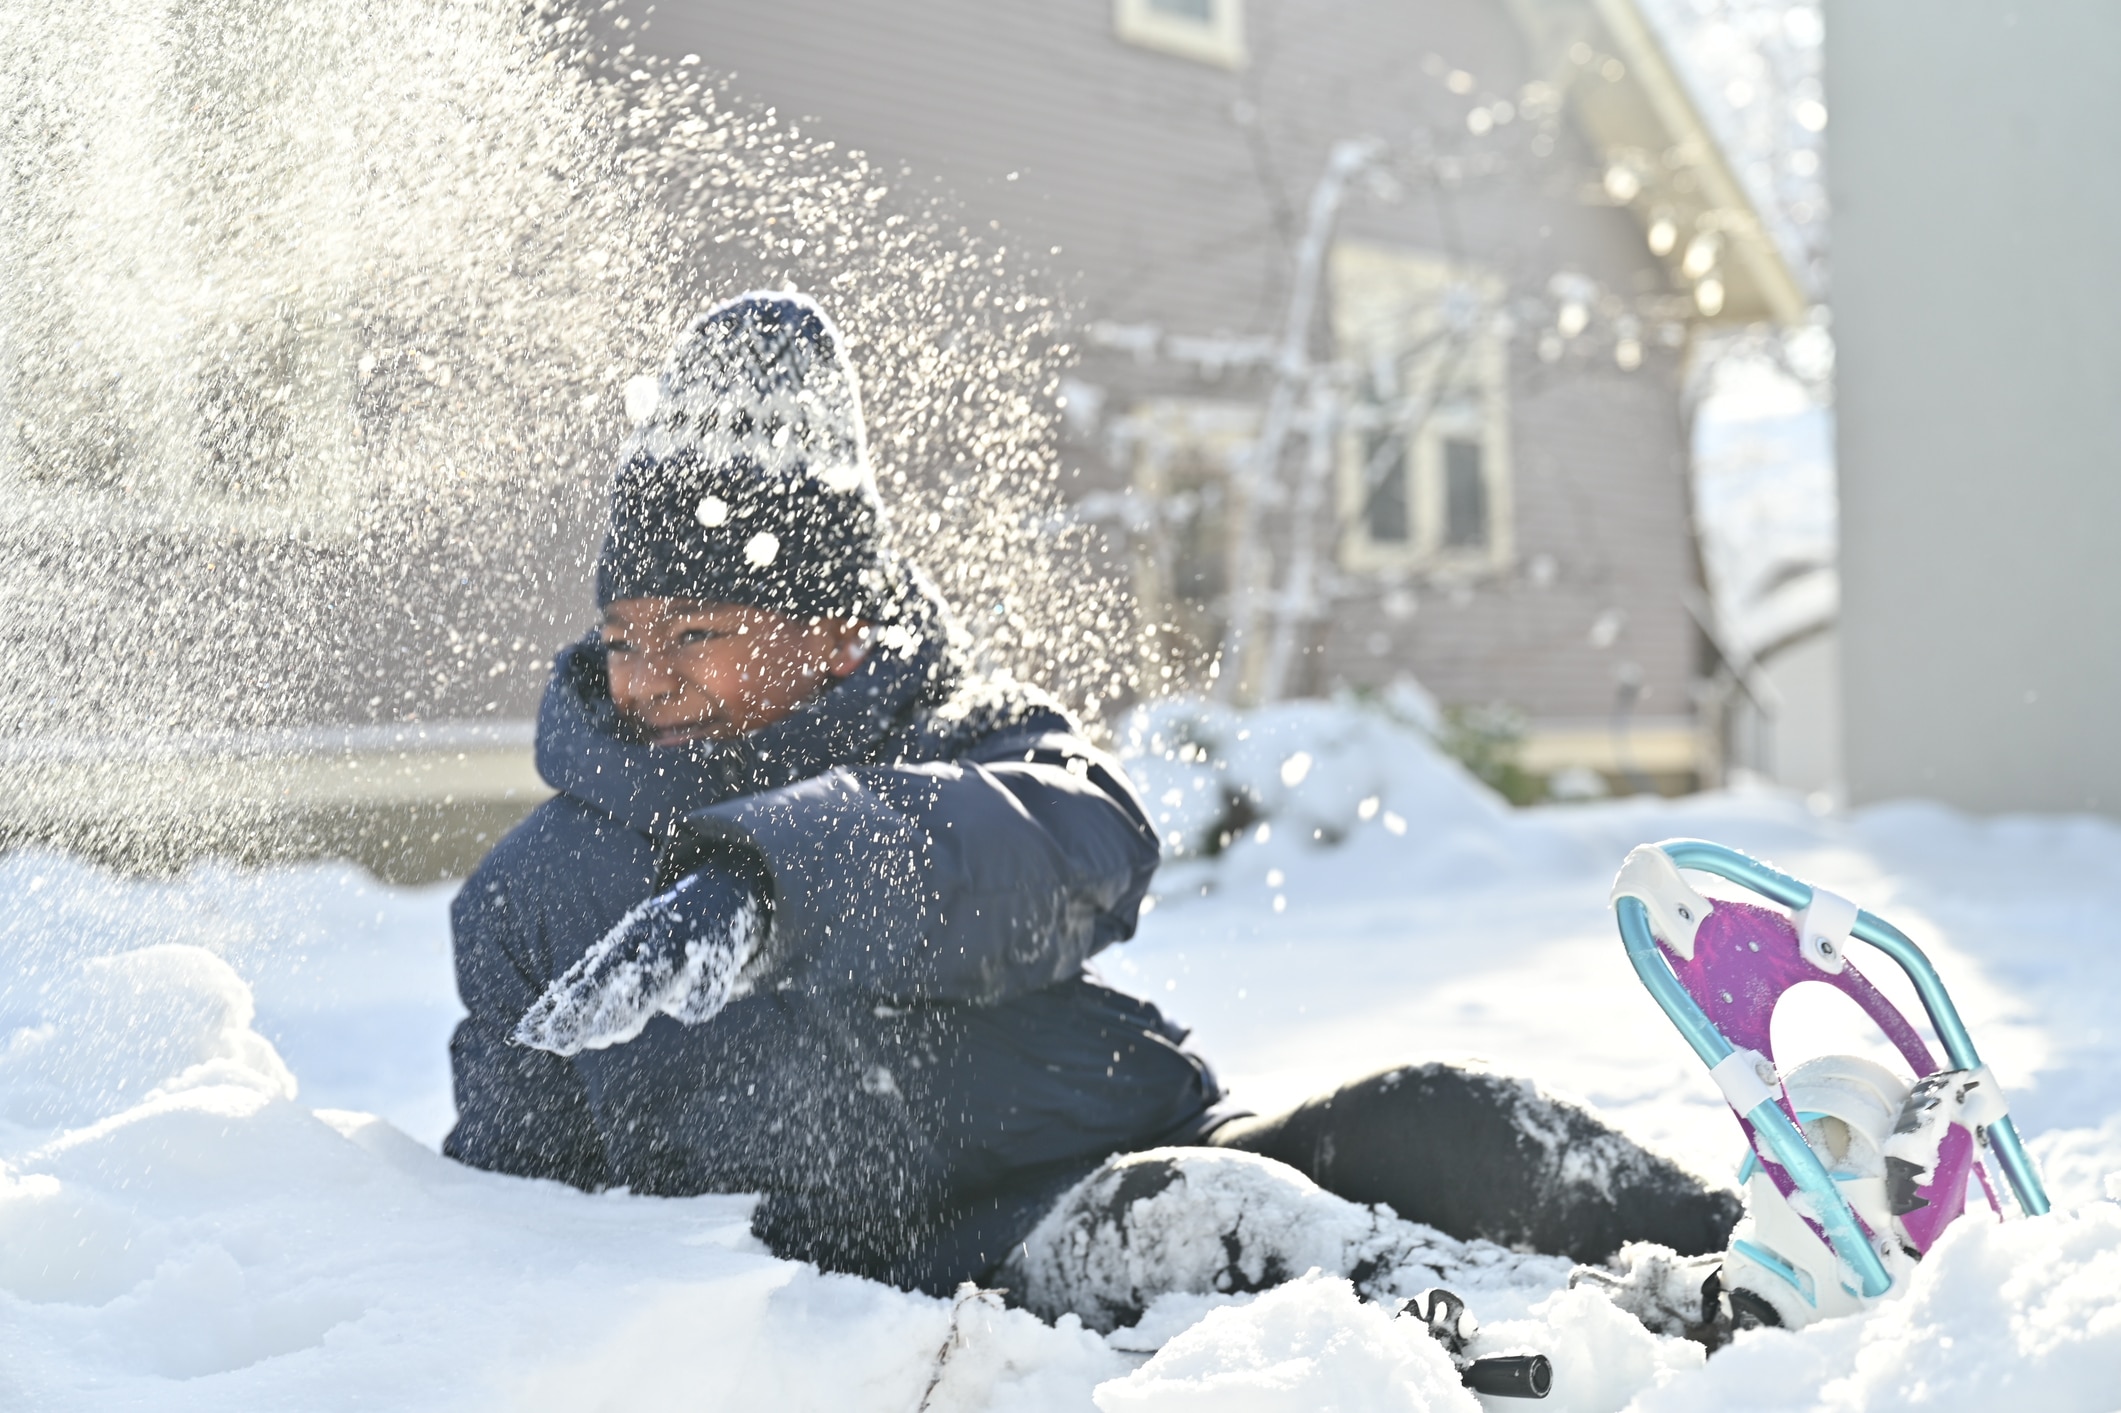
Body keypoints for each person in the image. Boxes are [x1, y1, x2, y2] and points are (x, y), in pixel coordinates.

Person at [443, 292, 1739, 1306]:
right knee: (1225, 1228)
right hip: (947, 1255)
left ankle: (1755, 1261)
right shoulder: (526, 896)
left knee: (1431, 1115)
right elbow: (518, 1207)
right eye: (625, 633)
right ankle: (1558, 1352)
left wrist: (766, 894)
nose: (647, 673)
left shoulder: (960, 735)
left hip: (1150, 1132)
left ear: (832, 629)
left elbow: (1077, 845)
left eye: (700, 630)